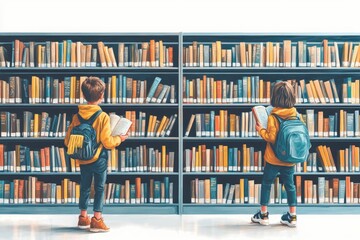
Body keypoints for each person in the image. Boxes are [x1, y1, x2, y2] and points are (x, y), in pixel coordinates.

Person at [64, 76, 128, 232]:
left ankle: (83, 218)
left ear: (84, 95)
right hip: (99, 158)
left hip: (83, 159)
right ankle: (97, 220)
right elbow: (107, 142)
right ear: (101, 96)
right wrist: (119, 138)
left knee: (85, 187)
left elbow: (67, 140)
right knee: (99, 188)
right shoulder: (103, 117)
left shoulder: (76, 116)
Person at [251, 81, 298, 227]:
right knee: (290, 186)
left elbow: (271, 137)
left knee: (266, 184)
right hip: (290, 158)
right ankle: (292, 216)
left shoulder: (273, 116)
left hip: (273, 159)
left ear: (274, 98)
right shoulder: (295, 114)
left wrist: (260, 130)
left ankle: (263, 215)